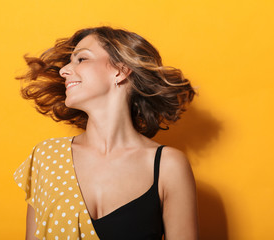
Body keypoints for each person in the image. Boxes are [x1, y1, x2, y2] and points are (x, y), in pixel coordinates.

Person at [13, 26, 199, 240]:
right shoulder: (46, 157)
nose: (64, 70)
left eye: (81, 59)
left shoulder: (168, 166)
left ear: (120, 71)